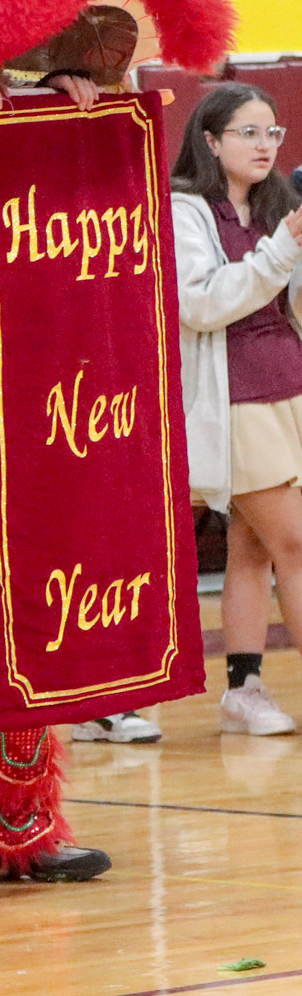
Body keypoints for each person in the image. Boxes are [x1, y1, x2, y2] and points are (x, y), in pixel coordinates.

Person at [174, 81, 302, 737]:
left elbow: (287, 302)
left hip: (289, 386)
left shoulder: (276, 204)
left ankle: (243, 687)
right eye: (248, 132)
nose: (263, 144)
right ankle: (245, 689)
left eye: (272, 132)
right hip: (238, 397)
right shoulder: (185, 211)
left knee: (252, 545)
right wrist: (283, 247)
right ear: (211, 140)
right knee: (296, 540)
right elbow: (199, 302)